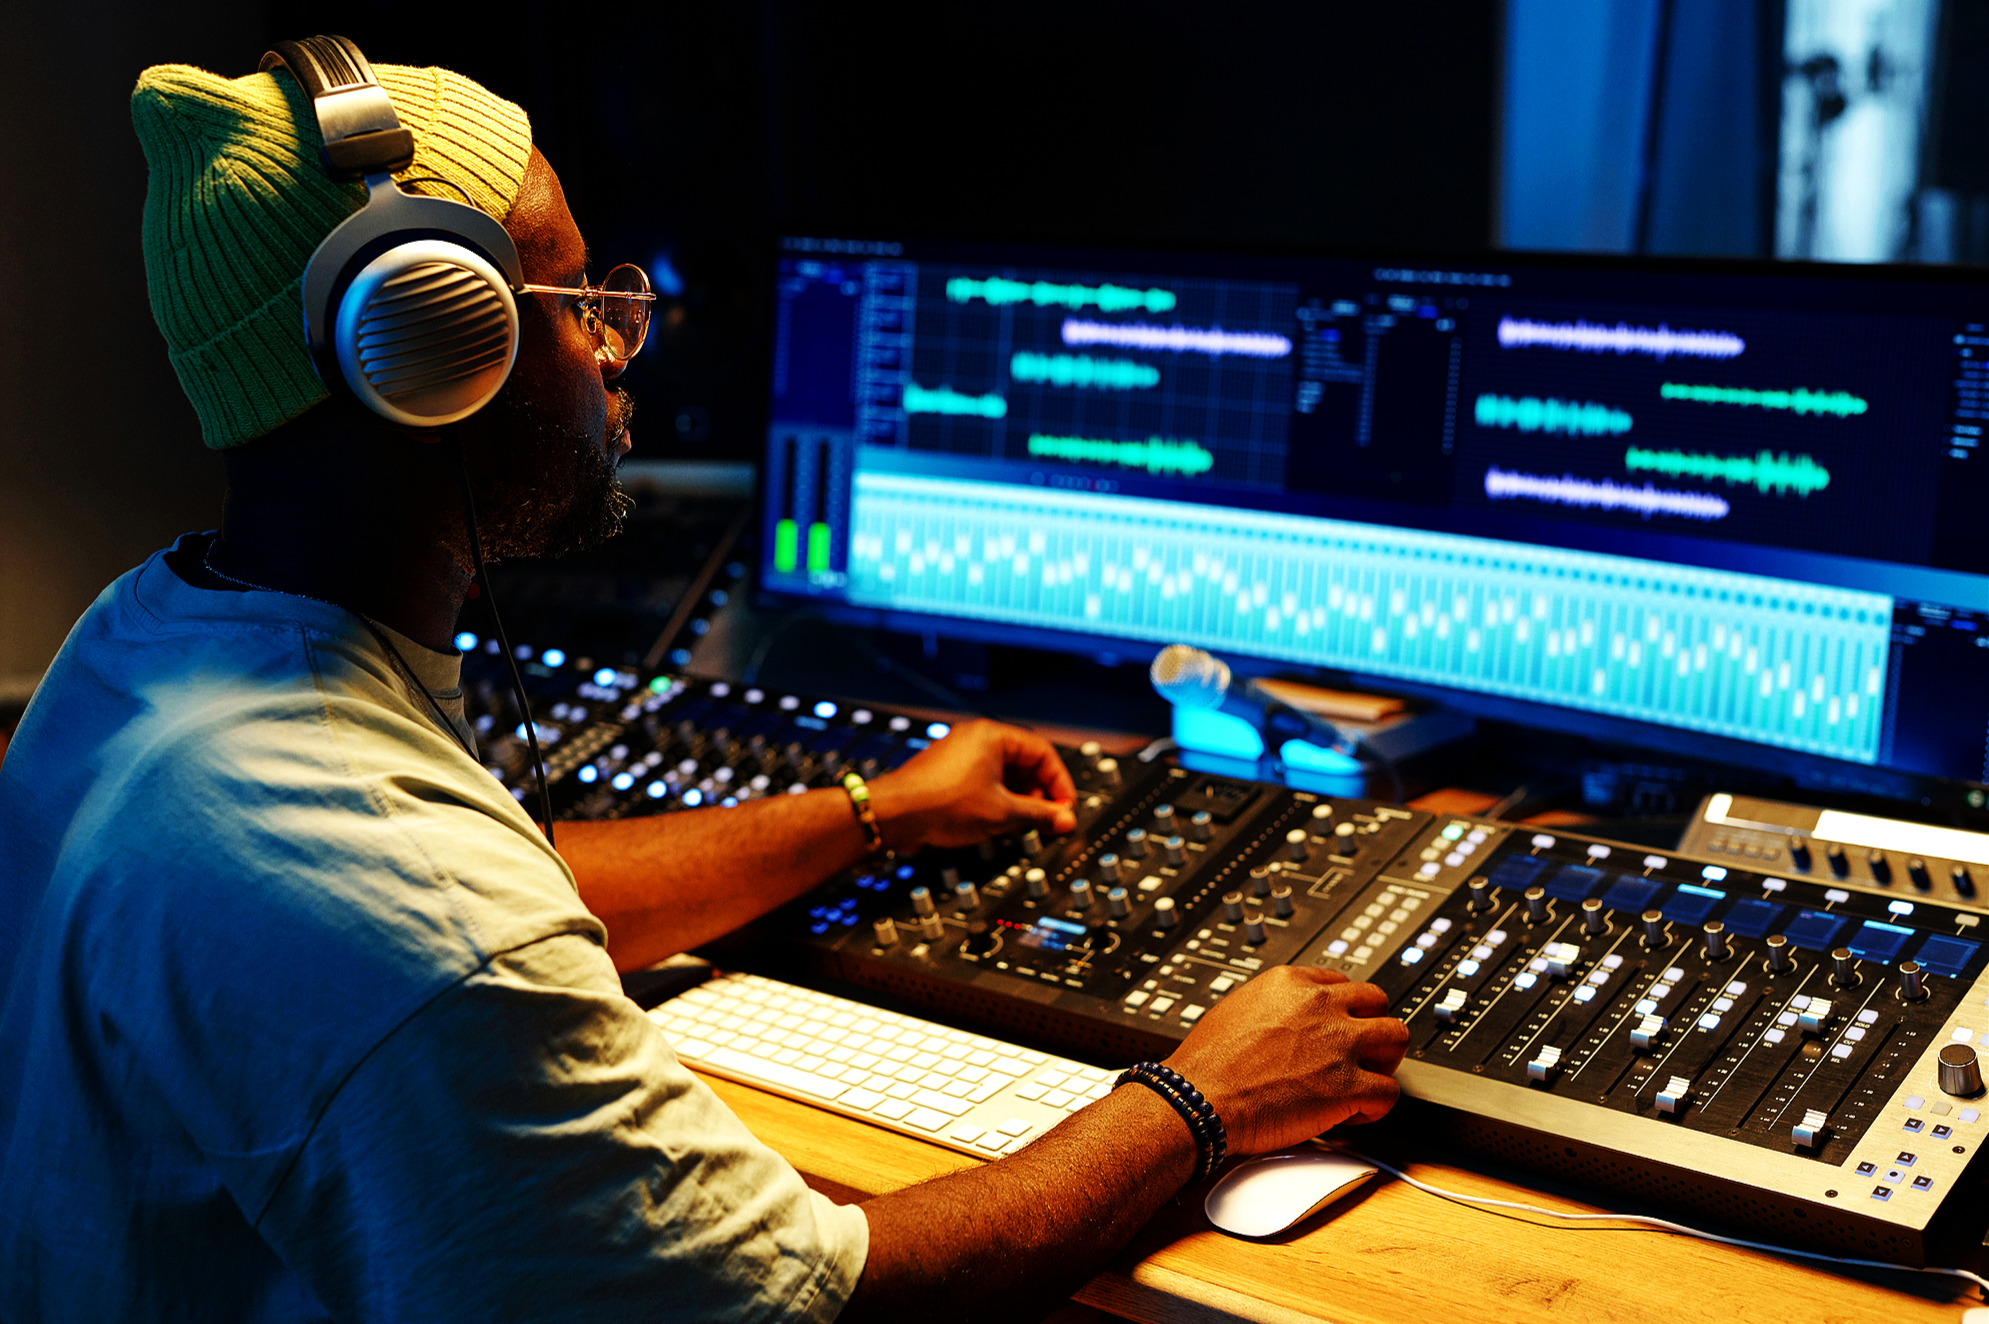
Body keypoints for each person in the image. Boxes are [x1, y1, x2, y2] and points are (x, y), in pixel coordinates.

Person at [0, 47, 1409, 1324]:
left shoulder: (147, 644)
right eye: (578, 302)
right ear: (427, 359)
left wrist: (873, 811)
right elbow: (833, 1306)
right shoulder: (412, 921)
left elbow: (526, 889)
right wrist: (1197, 1102)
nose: (623, 345)